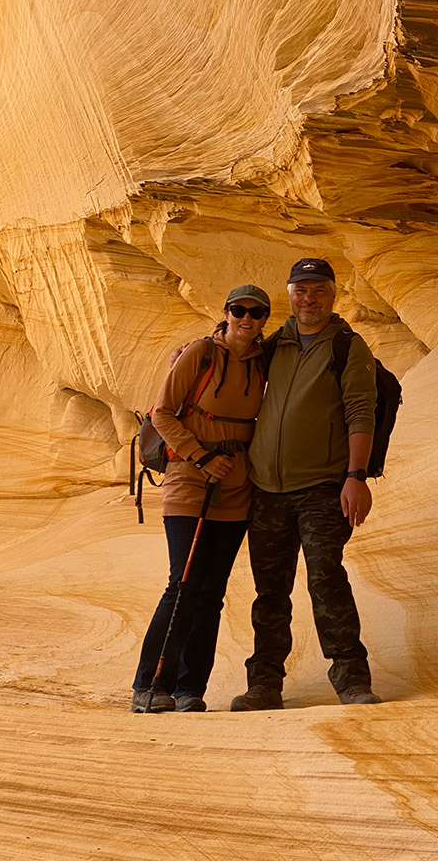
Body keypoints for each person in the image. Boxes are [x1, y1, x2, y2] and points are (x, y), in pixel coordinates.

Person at [230, 257, 381, 710]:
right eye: (300, 290)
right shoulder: (276, 343)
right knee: (269, 591)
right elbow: (231, 359)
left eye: (317, 290)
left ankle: (352, 678)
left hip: (322, 487)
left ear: (333, 294)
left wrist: (356, 477)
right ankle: (264, 684)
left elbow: (360, 410)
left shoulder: (347, 347)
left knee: (326, 579)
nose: (308, 298)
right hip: (266, 491)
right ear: (290, 295)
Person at [131, 284, 270, 713]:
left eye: (256, 313)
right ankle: (150, 686)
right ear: (226, 313)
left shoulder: (265, 361)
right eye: (238, 310)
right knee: (183, 584)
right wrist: (201, 456)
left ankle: (191, 689)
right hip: (189, 480)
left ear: (265, 319)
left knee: (212, 593)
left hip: (236, 484)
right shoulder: (201, 354)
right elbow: (162, 413)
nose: (246, 318)